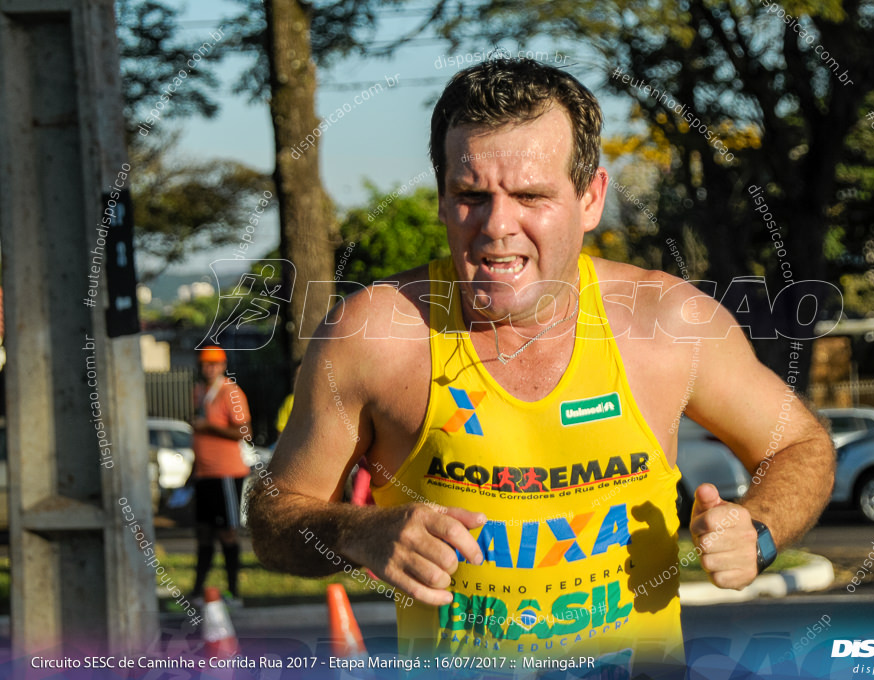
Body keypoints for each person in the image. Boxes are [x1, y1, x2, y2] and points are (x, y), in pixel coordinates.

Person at [249, 58, 834, 673]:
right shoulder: (372, 337)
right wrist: (358, 533)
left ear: (590, 199)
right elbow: (274, 514)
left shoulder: (668, 324)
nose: (497, 226)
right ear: (443, 200)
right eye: (471, 196)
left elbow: (799, 443)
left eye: (531, 196)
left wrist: (760, 530)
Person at [189, 345, 251, 603]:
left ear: (223, 365)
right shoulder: (200, 391)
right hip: (204, 473)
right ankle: (197, 591)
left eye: (214, 364)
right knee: (203, 531)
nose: (208, 368)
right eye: (205, 364)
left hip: (226, 472)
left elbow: (243, 430)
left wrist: (209, 428)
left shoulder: (230, 392)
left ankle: (234, 591)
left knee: (227, 531)